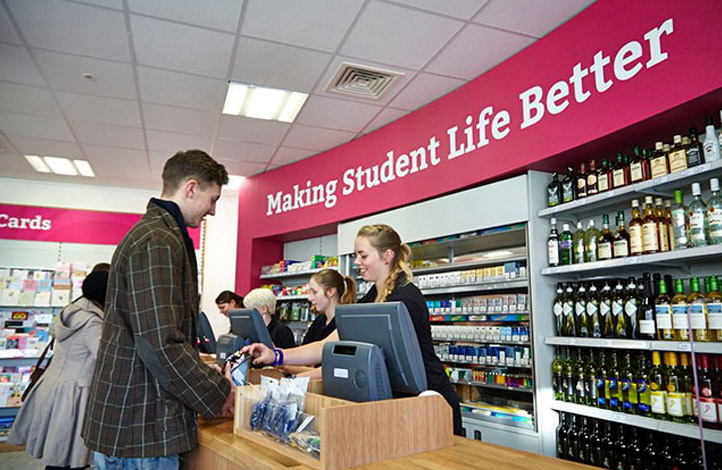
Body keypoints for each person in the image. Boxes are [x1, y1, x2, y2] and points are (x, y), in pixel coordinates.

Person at [81, 150, 233, 469]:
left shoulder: (156, 233)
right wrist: (218, 391)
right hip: (141, 425)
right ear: (191, 188)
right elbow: (160, 343)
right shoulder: (158, 240)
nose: (213, 210)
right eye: (213, 199)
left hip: (135, 419)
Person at [242, 224, 463, 436]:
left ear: (387, 256)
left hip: (429, 405)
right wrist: (276, 355)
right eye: (356, 255)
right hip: (399, 405)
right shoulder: (372, 297)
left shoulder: (405, 299)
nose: (357, 262)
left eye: (363, 256)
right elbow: (327, 344)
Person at [8, 270, 110, 470]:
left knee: (58, 450)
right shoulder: (92, 322)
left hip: (54, 387)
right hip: (75, 392)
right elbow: (104, 358)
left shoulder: (71, 312)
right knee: (70, 453)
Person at [302, 268, 355, 345]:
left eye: (315, 292)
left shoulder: (345, 324)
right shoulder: (319, 322)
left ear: (330, 292)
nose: (310, 298)